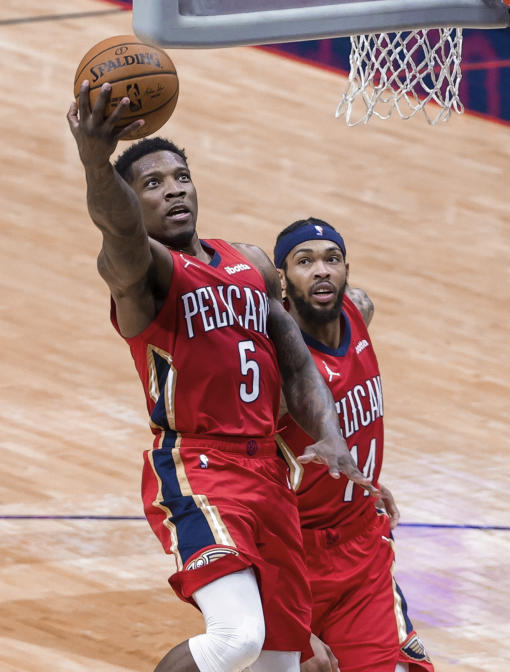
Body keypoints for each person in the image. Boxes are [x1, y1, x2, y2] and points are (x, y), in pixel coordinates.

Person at [67, 82, 376, 672]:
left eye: (180, 176)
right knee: (236, 637)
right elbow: (119, 230)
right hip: (200, 466)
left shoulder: (250, 264)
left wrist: (330, 436)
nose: (173, 189)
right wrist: (93, 161)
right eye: (151, 185)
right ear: (135, 202)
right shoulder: (142, 273)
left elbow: (294, 360)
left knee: (281, 662)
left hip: (269, 473)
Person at [272, 218, 434, 672]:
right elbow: (246, 476)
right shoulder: (274, 365)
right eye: (304, 261)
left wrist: (364, 478)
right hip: (291, 557)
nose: (321, 270)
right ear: (283, 279)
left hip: (360, 543)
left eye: (332, 259)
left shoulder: (359, 310)